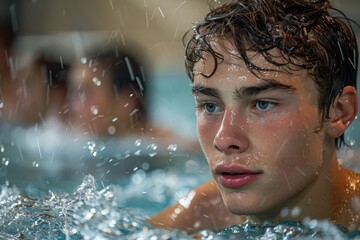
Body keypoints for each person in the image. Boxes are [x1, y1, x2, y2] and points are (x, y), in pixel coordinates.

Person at [149, 0, 360, 233]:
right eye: (210, 106)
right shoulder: (199, 216)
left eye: (263, 104)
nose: (224, 139)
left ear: (340, 112)